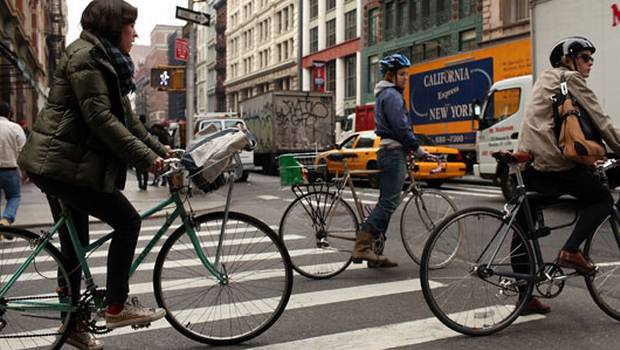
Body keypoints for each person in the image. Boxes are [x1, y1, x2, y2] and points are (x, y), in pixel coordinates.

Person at [18, 1, 169, 348]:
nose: (136, 34)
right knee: (128, 221)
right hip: (60, 166)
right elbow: (101, 120)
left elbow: (128, 121)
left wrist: (162, 151)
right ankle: (116, 306)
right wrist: (146, 159)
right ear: (114, 27)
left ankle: (72, 327)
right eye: (131, 27)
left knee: (74, 247)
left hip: (65, 165)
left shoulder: (105, 60)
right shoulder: (87, 57)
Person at [514, 36, 620, 315]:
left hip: (530, 163)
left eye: (591, 59)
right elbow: (602, 121)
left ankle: (523, 297)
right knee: (601, 200)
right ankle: (571, 251)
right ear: (570, 60)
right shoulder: (570, 79)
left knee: (521, 225)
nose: (589, 64)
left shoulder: (545, 78)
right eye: (585, 58)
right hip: (552, 162)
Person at [351, 53, 435, 268]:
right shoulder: (392, 96)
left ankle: (376, 253)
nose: (406, 78)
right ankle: (362, 246)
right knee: (389, 202)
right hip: (393, 153)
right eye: (402, 74)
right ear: (391, 75)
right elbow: (400, 127)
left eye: (407, 74)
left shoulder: (386, 94)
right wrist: (417, 149)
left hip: (391, 152)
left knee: (386, 202)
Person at [0, 101, 26, 237]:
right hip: (10, 169)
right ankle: (6, 220)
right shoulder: (15, 127)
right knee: (14, 196)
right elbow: (24, 149)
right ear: (9, 113)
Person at [135, 114, 150, 190]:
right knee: (146, 169)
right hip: (146, 150)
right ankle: (145, 185)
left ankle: (140, 182)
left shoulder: (136, 128)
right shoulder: (147, 128)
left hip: (138, 150)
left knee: (138, 168)